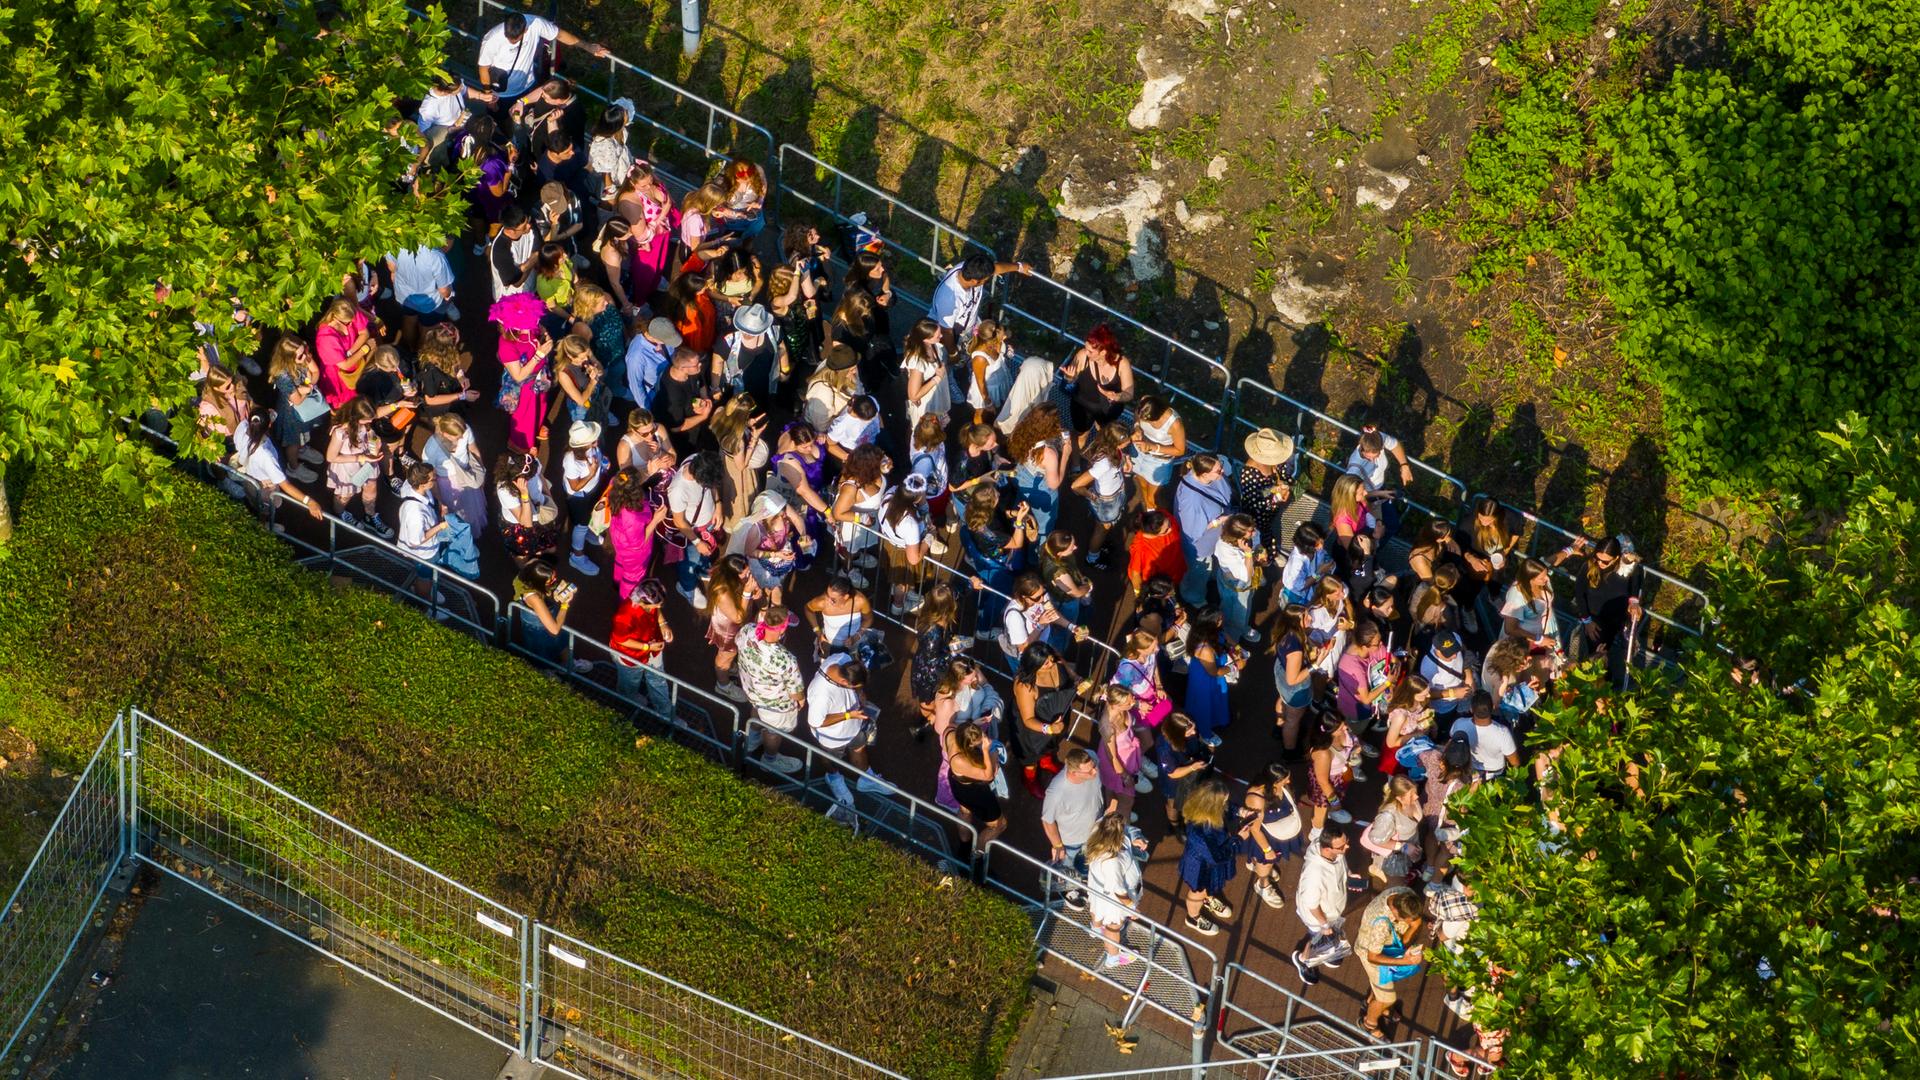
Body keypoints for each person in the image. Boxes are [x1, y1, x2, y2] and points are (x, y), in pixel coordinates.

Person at [733, 605, 806, 774]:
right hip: (776, 705)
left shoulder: (747, 630)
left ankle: (752, 740)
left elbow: (737, 641)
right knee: (773, 732)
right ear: (783, 628)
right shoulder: (786, 659)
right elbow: (795, 692)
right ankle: (769, 759)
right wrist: (801, 700)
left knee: (757, 711)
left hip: (752, 691)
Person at [474, 12, 607, 102]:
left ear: (525, 30)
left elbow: (560, 35)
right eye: (508, 37)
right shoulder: (492, 40)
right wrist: (488, 96)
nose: (511, 41)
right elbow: (483, 68)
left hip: (527, 86)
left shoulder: (536, 24)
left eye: (515, 39)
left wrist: (588, 47)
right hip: (500, 94)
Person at [1042, 747, 1110, 910]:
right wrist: (1058, 845)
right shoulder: (1057, 792)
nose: (1095, 771)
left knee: (1088, 862)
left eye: (1094, 766)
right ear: (1073, 773)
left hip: (1094, 830)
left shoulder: (1091, 757)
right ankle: (1068, 889)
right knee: (1069, 866)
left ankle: (1084, 882)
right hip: (1071, 840)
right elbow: (1047, 821)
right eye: (1089, 771)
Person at [1010, 644, 1080, 797]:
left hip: (1056, 715)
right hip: (1033, 728)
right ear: (1033, 665)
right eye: (1046, 662)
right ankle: (1030, 778)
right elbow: (1028, 720)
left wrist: (1075, 677)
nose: (1051, 663)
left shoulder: (1056, 662)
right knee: (1030, 754)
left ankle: (1046, 761)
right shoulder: (1025, 686)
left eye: (1051, 659)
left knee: (1053, 742)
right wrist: (1049, 729)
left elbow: (1065, 666)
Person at [1356, 887, 1426, 1039]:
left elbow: (1415, 922)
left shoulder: (1404, 895)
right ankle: (1369, 1024)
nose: (1412, 923)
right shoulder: (1381, 924)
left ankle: (1372, 1004)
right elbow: (1372, 957)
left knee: (1380, 986)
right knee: (1387, 998)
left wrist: (1405, 944)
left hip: (1388, 946)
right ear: (1395, 912)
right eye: (1406, 921)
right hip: (1371, 953)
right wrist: (1404, 960)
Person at [929, 252, 1032, 351]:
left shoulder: (968, 269)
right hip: (949, 333)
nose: (986, 281)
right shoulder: (948, 299)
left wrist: (1019, 266)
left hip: (969, 326)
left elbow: (995, 268)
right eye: (985, 280)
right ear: (975, 281)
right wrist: (953, 353)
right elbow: (946, 331)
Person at [1290, 828, 1353, 986]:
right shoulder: (1314, 876)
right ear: (1327, 849)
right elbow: (1312, 905)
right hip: (1319, 919)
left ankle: (1328, 948)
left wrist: (1349, 875)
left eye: (1347, 843)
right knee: (1316, 938)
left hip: (1332, 911)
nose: (1346, 848)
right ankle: (1304, 960)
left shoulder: (1331, 852)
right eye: (1341, 847)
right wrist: (1324, 925)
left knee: (1330, 934)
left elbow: (1340, 865)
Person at [1083, 813, 1145, 969]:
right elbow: (1118, 890)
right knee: (1113, 926)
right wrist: (1131, 907)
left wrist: (1135, 838)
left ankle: (1096, 929)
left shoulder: (1097, 831)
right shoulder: (1111, 861)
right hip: (1113, 901)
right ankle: (1113, 958)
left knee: (1096, 908)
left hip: (1098, 889)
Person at [1178, 776, 1238, 937]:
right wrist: (1236, 841)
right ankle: (1193, 917)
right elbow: (1216, 857)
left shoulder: (1211, 809)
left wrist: (1240, 811)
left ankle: (1208, 898)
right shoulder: (1198, 831)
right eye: (1223, 801)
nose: (1226, 803)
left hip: (1210, 860)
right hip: (1201, 866)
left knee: (1207, 888)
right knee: (1197, 891)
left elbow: (1228, 809)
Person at [1239, 763, 1304, 909]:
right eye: (1284, 780)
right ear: (1271, 781)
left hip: (1278, 833)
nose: (1288, 782)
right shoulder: (1256, 797)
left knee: (1268, 862)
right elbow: (1255, 830)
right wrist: (1267, 851)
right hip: (1265, 838)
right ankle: (1262, 884)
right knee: (1266, 862)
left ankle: (1258, 864)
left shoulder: (1280, 787)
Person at [1173, 453, 1233, 607]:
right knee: (1199, 572)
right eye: (1218, 471)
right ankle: (1193, 596)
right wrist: (1218, 521)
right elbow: (1192, 530)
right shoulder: (1191, 502)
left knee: (1209, 566)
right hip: (1200, 545)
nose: (1222, 472)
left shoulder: (1204, 476)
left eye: (1221, 468)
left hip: (1213, 536)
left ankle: (1210, 578)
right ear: (1205, 474)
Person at [1069, 423, 1132, 568]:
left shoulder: (1112, 450)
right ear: (1114, 442)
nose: (1129, 442)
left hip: (1115, 494)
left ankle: (1097, 547)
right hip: (1107, 501)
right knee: (1102, 529)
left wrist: (1126, 461)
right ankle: (1092, 557)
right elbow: (1075, 485)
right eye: (1125, 441)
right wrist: (1090, 495)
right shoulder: (1104, 463)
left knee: (1105, 526)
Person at [609, 579, 673, 717]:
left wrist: (663, 624)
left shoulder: (646, 597)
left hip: (653, 649)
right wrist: (647, 647)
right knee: (630, 682)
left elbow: (656, 611)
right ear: (643, 602)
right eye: (656, 605)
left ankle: (665, 714)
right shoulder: (624, 615)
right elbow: (620, 640)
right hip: (630, 656)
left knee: (658, 680)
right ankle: (628, 697)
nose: (659, 607)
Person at [1061, 324, 1134, 441]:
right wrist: (1069, 377)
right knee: (1080, 435)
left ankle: (1095, 454)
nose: (1086, 352)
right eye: (1086, 348)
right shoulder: (1083, 355)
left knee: (1103, 436)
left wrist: (1116, 396)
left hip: (1107, 410)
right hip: (1082, 404)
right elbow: (1071, 379)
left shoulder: (1122, 363)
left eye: (1090, 351)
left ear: (1103, 352)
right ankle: (1075, 459)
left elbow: (1129, 393)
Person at [943, 723, 1007, 851]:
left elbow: (960, 729)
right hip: (974, 793)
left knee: (965, 811)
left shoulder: (950, 731)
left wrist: (975, 726)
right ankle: (976, 858)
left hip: (957, 783)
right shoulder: (960, 760)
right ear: (968, 746)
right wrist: (988, 750)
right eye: (977, 744)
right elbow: (988, 776)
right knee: (999, 825)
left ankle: (964, 846)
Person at [807, 654, 875, 772]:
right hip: (833, 738)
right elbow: (816, 722)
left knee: (859, 749)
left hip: (854, 726)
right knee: (830, 760)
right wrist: (848, 715)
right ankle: (833, 777)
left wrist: (859, 692)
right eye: (854, 687)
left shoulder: (842, 659)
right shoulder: (821, 695)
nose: (856, 688)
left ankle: (866, 779)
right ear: (844, 682)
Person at [494, 449, 561, 566]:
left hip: (542, 517)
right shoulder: (504, 489)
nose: (533, 477)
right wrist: (524, 494)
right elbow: (526, 523)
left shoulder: (531, 465)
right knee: (522, 554)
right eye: (530, 477)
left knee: (548, 547)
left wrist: (550, 500)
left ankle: (543, 569)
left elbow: (541, 477)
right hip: (519, 526)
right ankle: (526, 575)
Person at [1183, 609, 1239, 745]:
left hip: (1212, 674)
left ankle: (1217, 719)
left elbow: (1225, 637)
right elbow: (1214, 672)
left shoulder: (1210, 632)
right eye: (1219, 619)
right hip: (1206, 680)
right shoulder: (1205, 649)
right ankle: (1205, 733)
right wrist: (1233, 667)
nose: (1222, 620)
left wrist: (1237, 648)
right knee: (1204, 705)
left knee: (1216, 699)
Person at [386, 242, 458, 345]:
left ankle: (409, 350)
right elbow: (444, 290)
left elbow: (392, 268)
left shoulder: (394, 243)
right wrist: (449, 296)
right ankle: (420, 357)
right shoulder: (435, 255)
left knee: (409, 321)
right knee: (427, 330)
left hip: (405, 296)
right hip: (430, 303)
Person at [1238, 429, 1295, 558]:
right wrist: (1278, 496)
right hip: (1257, 516)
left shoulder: (1275, 463)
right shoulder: (1250, 474)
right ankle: (1264, 559)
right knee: (1260, 537)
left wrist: (1281, 488)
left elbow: (1267, 489)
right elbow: (1257, 503)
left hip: (1270, 511)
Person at [513, 560, 581, 667]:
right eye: (550, 582)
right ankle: (546, 672)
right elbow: (554, 629)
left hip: (546, 617)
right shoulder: (534, 598)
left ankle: (569, 665)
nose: (555, 581)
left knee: (562, 642)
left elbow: (535, 561)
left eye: (554, 577)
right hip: (538, 629)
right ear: (538, 582)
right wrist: (565, 604)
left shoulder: (531, 571)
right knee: (542, 654)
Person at [1303, 708, 1358, 840]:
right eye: (1339, 728)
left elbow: (1352, 741)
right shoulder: (1323, 753)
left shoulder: (1343, 731)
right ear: (1328, 731)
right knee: (1321, 809)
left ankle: (1333, 812)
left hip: (1339, 776)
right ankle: (1316, 832)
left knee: (1336, 799)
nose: (1345, 727)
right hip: (1327, 784)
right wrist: (1334, 801)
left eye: (1342, 723)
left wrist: (1356, 748)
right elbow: (1323, 781)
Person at [653, 346, 715, 457]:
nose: (700, 365)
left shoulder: (693, 371)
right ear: (682, 368)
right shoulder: (672, 395)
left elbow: (700, 384)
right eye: (696, 365)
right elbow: (676, 427)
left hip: (694, 417)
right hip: (684, 436)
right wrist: (704, 416)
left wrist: (704, 398)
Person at [1361, 776, 1423, 886]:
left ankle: (1378, 868)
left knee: (1404, 874)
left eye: (1415, 792)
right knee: (1396, 887)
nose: (1416, 797)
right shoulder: (1388, 816)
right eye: (1411, 795)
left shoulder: (1410, 801)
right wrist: (1404, 847)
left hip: (1409, 848)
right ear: (1399, 798)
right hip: (1395, 856)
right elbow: (1376, 839)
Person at [1128, 396, 1186, 513]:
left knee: (1152, 496)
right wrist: (1137, 427)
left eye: (1148, 421)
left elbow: (1180, 450)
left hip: (1158, 460)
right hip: (1139, 452)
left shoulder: (1174, 424)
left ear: (1158, 414)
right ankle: (1148, 505)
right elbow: (1136, 415)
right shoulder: (1145, 402)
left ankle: (1151, 511)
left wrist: (1152, 447)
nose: (1145, 422)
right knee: (1143, 484)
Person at [1450, 691, 1520, 781]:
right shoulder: (1503, 732)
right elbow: (1515, 762)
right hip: (1496, 773)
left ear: (1471, 709)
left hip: (1470, 771)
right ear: (1492, 708)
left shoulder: (1459, 724)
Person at [901, 319, 951, 430]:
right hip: (927, 401)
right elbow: (913, 395)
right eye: (938, 335)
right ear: (925, 338)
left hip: (936, 395)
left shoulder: (933, 345)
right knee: (921, 431)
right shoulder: (918, 360)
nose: (941, 336)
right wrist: (938, 378)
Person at [1421, 630, 1478, 723]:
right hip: (1444, 708)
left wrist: (1468, 673)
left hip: (1462, 696)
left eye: (1455, 650)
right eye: (1449, 654)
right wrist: (1453, 693)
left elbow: (1463, 652)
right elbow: (1426, 694)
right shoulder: (1428, 668)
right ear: (1437, 651)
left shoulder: (1455, 637)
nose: (1455, 656)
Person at [488, 205, 540, 300]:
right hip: (511, 301)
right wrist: (531, 262)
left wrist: (525, 267)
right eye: (524, 227)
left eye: (528, 221)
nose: (529, 226)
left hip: (531, 288)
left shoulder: (529, 226)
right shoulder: (500, 250)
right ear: (511, 231)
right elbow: (516, 282)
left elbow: (538, 251)